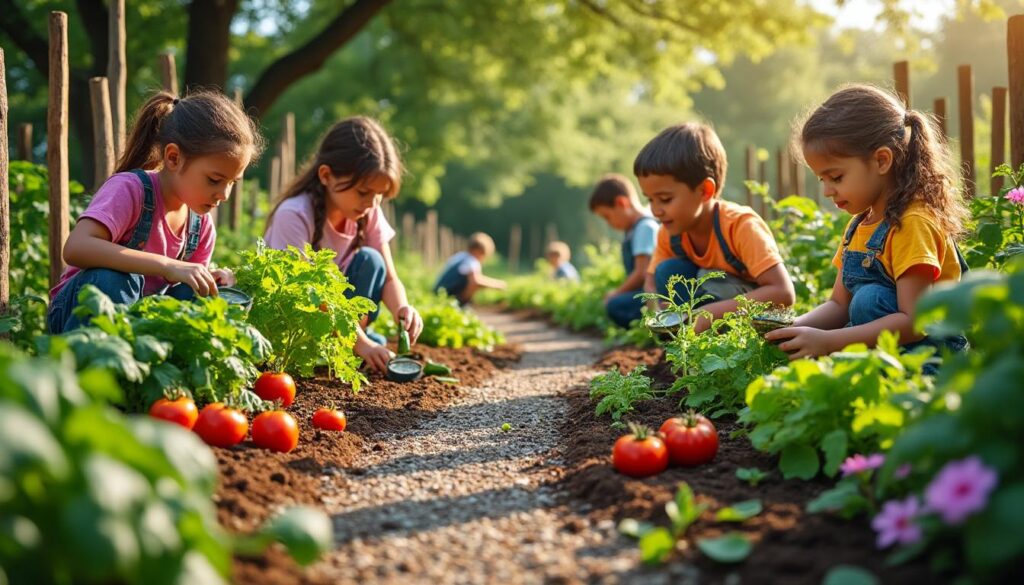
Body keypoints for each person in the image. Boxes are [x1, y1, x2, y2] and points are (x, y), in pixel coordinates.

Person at [766, 84, 970, 359]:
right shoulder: (859, 226)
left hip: (931, 356)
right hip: (884, 353)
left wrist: (828, 342)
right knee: (862, 302)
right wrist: (790, 330)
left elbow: (915, 322)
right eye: (821, 179)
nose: (827, 191)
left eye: (836, 177)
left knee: (869, 299)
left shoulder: (913, 223)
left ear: (882, 160)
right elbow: (839, 305)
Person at [48, 90, 263, 334]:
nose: (224, 194)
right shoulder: (130, 190)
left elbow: (182, 293)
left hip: (140, 326)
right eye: (214, 180)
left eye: (232, 182)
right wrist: (167, 265)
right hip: (80, 311)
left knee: (200, 295)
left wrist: (209, 280)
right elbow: (76, 248)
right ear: (173, 158)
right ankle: (84, 357)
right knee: (114, 279)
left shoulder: (201, 228)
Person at [264, 117, 424, 374]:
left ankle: (352, 344)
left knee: (372, 261)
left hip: (343, 324)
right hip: (300, 327)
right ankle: (354, 345)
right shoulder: (294, 214)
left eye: (379, 195)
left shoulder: (367, 212)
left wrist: (402, 308)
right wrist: (364, 345)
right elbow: (306, 296)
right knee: (348, 280)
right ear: (326, 176)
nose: (371, 203)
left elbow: (389, 279)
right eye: (363, 192)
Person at [636, 122, 795, 332]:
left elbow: (783, 293)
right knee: (668, 271)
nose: (655, 210)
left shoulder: (741, 226)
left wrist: (708, 314)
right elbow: (651, 281)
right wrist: (660, 315)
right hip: (708, 307)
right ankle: (686, 340)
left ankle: (715, 339)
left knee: (708, 280)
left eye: (665, 199)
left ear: (705, 191)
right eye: (650, 199)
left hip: (749, 314)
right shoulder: (670, 231)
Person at [589, 173, 659, 327]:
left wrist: (616, 292)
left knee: (615, 305)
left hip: (652, 294)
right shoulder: (633, 230)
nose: (608, 223)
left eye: (607, 216)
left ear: (622, 203)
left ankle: (650, 326)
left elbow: (641, 273)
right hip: (643, 292)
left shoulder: (644, 227)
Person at [433, 232, 507, 304]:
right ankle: (461, 304)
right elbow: (475, 281)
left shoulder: (461, 256)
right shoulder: (471, 260)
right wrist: (498, 285)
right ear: (478, 251)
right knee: (473, 282)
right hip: (448, 294)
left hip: (439, 292)